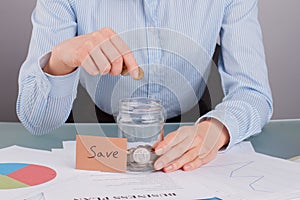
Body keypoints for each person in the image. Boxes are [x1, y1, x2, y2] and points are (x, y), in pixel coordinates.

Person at [17, 0, 273, 173]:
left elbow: (254, 93)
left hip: (191, 127)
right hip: (98, 123)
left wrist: (217, 129)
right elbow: (37, 121)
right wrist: (59, 61)